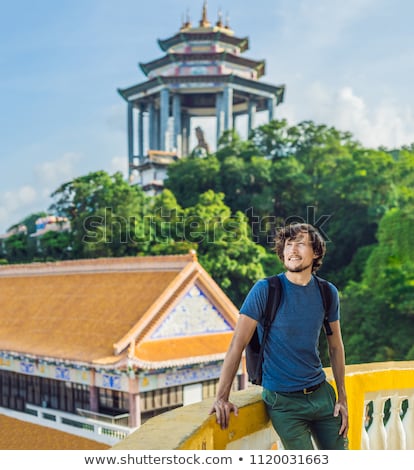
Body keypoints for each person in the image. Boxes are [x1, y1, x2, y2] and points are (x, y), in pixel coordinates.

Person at [209, 222, 348, 450]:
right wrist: (222, 397)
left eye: (301, 244)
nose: (292, 250)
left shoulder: (327, 292)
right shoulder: (266, 290)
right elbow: (237, 344)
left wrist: (342, 398)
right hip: (284, 402)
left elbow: (335, 347)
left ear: (315, 252)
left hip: (323, 396)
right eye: (288, 244)